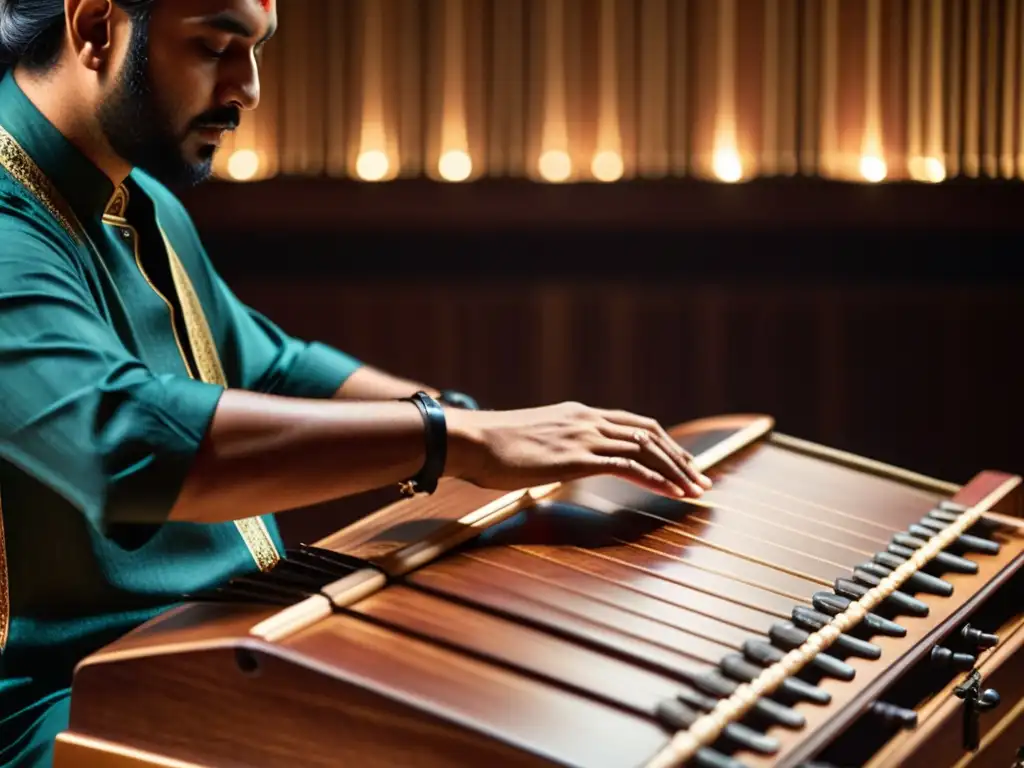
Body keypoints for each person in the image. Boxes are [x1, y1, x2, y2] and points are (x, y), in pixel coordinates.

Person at [0, 0, 713, 765]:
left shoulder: (140, 201)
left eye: (257, 48)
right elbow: (125, 443)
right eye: (215, 45)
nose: (248, 88)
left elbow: (275, 368)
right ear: (96, 25)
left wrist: (489, 429)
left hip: (225, 649)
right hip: (72, 711)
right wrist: (456, 441)